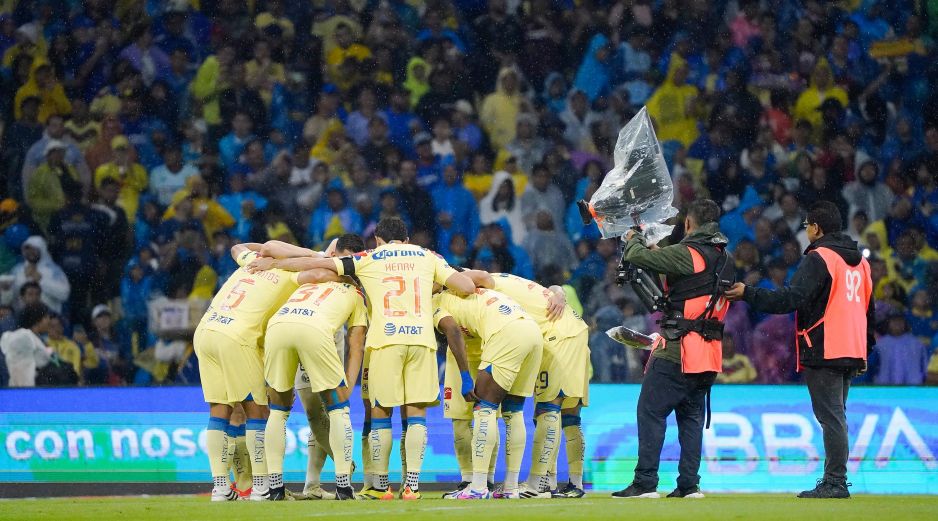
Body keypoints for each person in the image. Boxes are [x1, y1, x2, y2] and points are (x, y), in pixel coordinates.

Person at [247, 217, 475, 500]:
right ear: (405, 239)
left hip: (385, 341)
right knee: (416, 414)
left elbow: (323, 266)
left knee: (381, 412)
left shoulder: (369, 257)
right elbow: (465, 285)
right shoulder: (427, 256)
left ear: (379, 240)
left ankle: (380, 486)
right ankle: (412, 487)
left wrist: (275, 264)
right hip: (421, 341)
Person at [726, 201, 873, 499]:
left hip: (825, 345)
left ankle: (835, 482)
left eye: (807, 226)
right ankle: (835, 479)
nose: (805, 232)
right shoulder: (860, 261)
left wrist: (748, 293)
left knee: (831, 417)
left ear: (817, 228)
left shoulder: (820, 257)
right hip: (852, 346)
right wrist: (864, 346)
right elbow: (868, 308)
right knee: (837, 415)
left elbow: (791, 299)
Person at [612, 199, 734, 499]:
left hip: (679, 350)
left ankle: (645, 483)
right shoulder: (723, 256)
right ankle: (689, 486)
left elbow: (638, 256)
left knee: (651, 411)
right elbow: (688, 277)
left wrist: (634, 237)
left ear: (689, 224)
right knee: (690, 418)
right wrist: (660, 253)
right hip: (709, 353)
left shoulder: (689, 253)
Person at [463, 269, 590, 499]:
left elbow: (482, 278)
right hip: (574, 330)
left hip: (556, 337)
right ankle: (570, 483)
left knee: (548, 409)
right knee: (570, 413)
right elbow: (547, 290)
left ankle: (536, 484)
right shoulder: (507, 279)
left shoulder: (486, 284)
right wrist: (557, 290)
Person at [262, 235, 368, 501]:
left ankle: (274, 488)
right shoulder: (356, 292)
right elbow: (357, 346)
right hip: (316, 330)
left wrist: (273, 263)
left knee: (278, 410)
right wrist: (349, 386)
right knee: (337, 409)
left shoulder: (309, 276)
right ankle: (344, 486)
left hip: (279, 325)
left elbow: (277, 254)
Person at [192, 241, 299, 502]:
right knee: (258, 410)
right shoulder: (293, 273)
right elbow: (319, 271)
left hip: (206, 331)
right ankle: (261, 487)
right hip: (237, 337)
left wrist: (267, 249)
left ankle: (220, 487)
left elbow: (236, 246)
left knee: (219, 411)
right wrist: (305, 255)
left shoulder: (250, 261)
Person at [432, 286, 543, 500]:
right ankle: (511, 487)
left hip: (505, 333)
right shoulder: (470, 290)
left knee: (484, 409)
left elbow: (453, 330)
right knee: (514, 412)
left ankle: (478, 487)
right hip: (532, 331)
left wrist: (465, 376)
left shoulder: (436, 301)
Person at [10, 236, 71, 315]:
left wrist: (41, 280)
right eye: (27, 249)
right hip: (22, 318)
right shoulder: (17, 270)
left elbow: (64, 294)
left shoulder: (54, 270)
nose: (30, 252)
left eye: (34, 249)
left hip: (48, 318)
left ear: (42, 250)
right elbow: (10, 297)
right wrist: (23, 279)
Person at [0, 303, 52, 387]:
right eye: (46, 317)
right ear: (37, 320)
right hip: (23, 390)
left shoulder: (37, 338)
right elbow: (20, 370)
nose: (49, 321)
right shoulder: (24, 336)